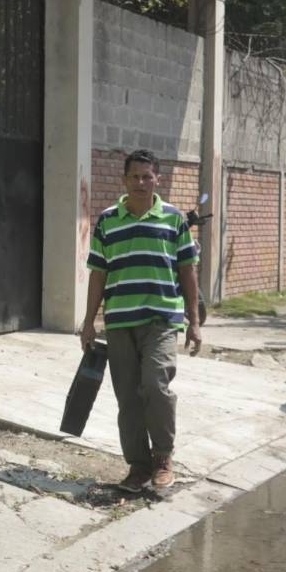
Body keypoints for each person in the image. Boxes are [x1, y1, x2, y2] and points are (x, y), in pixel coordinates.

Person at [81, 148, 201, 494]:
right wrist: (89, 322)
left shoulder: (174, 219)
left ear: (157, 180)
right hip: (119, 321)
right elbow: (98, 274)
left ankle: (163, 457)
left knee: (155, 385)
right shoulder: (107, 220)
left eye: (147, 176)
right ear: (124, 180)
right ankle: (138, 466)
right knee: (127, 397)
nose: (140, 182)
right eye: (134, 176)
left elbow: (187, 272)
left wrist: (193, 321)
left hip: (161, 319)